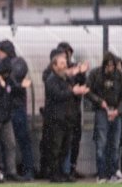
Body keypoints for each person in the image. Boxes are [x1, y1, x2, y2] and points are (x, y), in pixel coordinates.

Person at [42, 48, 91, 183]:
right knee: (55, 148)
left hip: (68, 119)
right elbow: (58, 95)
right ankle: (54, 174)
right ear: (54, 66)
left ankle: (63, 173)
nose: (65, 66)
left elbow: (75, 87)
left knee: (65, 147)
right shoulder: (51, 80)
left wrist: (81, 75)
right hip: (56, 119)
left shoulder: (66, 79)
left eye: (65, 63)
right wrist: (73, 92)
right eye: (62, 63)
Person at [0, 40, 34, 181]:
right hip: (5, 109)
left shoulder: (19, 62)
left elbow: (10, 79)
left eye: (1, 53)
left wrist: (7, 82)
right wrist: (16, 85)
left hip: (17, 108)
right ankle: (8, 170)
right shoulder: (1, 65)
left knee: (23, 140)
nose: (0, 56)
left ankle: (29, 170)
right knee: (6, 142)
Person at [84, 52, 122, 183]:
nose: (110, 68)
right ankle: (102, 174)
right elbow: (88, 91)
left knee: (115, 144)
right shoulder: (95, 74)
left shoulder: (120, 76)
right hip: (101, 111)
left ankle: (113, 173)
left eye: (113, 66)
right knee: (101, 143)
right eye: (108, 66)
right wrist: (100, 102)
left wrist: (118, 111)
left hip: (115, 112)